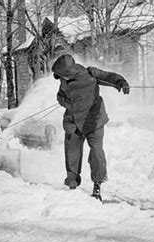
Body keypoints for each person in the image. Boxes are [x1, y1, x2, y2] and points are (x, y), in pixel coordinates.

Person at [51, 54, 130, 201]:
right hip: (73, 120)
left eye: (63, 75)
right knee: (72, 152)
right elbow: (60, 96)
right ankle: (72, 185)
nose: (62, 78)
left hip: (93, 119)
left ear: (70, 71)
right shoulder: (63, 80)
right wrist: (68, 103)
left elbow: (108, 76)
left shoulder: (90, 73)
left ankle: (97, 185)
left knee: (96, 152)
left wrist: (120, 81)